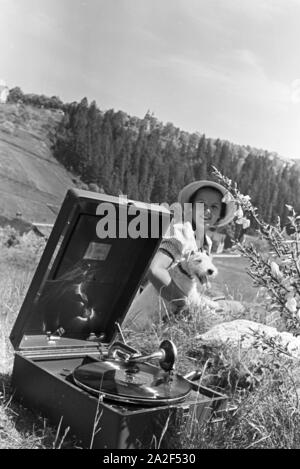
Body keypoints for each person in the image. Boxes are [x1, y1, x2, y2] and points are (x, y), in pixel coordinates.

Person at [147, 180, 237, 304]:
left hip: (173, 308)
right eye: (201, 204)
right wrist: (184, 304)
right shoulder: (180, 233)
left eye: (214, 206)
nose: (207, 211)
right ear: (191, 208)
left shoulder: (206, 244)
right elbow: (154, 270)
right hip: (153, 307)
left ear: (220, 215)